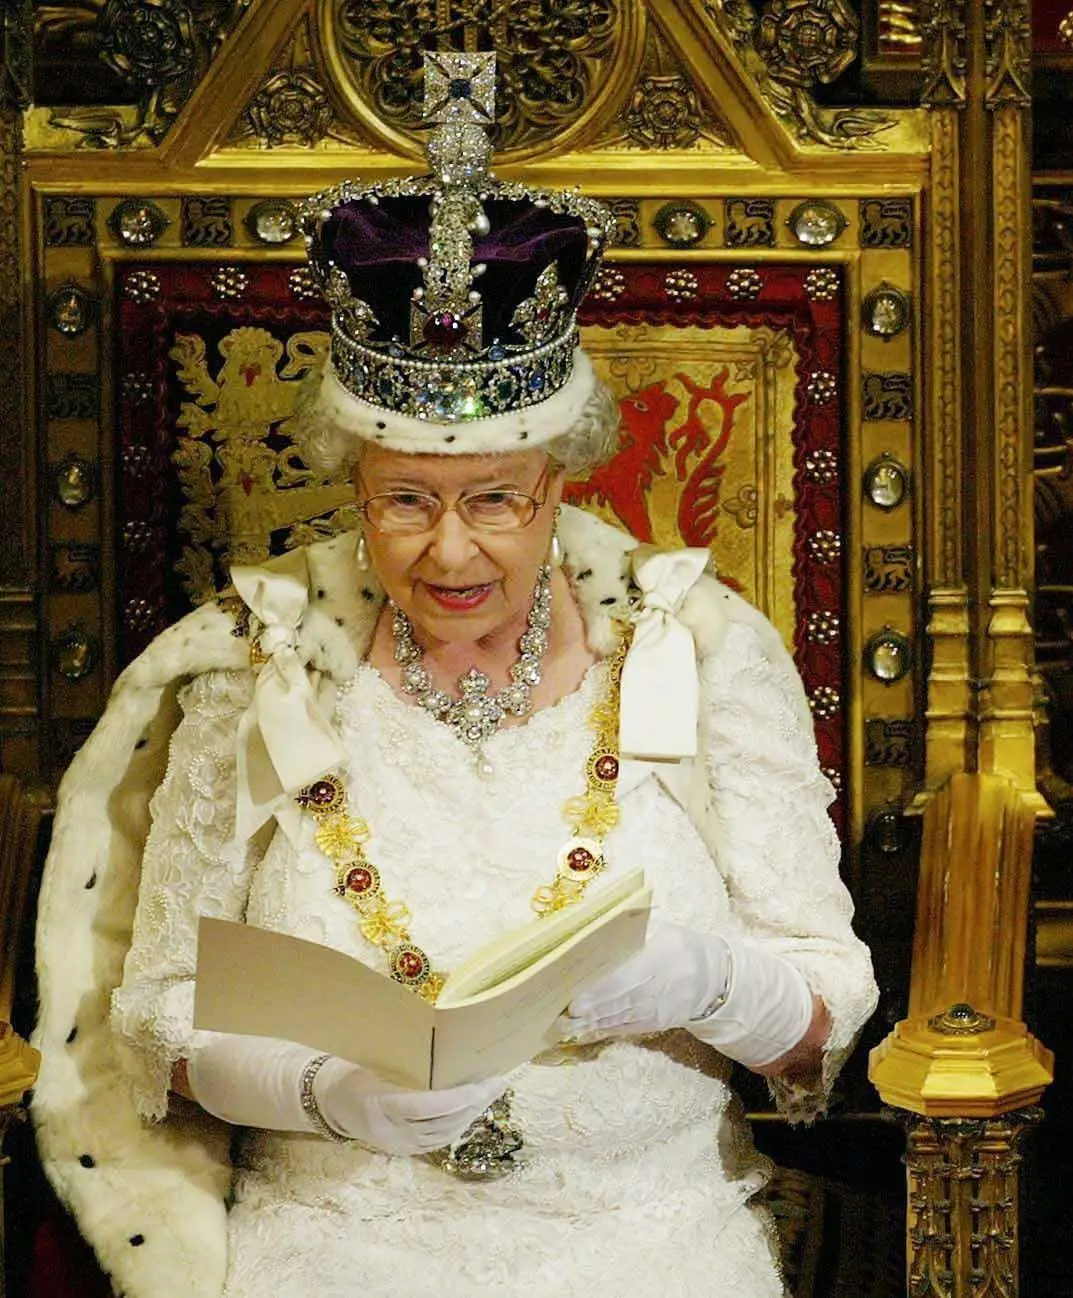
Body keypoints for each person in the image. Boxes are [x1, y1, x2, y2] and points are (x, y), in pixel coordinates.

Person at [29, 54, 875, 1298]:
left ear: (561, 483)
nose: (452, 546)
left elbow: (826, 1005)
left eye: (496, 500)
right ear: (354, 486)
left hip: (647, 1237)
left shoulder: (699, 647)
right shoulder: (255, 661)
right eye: (405, 501)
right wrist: (329, 1090)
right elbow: (163, 1015)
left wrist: (709, 977)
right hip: (334, 1243)